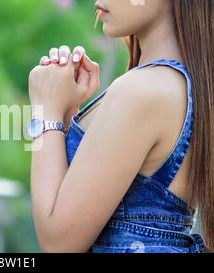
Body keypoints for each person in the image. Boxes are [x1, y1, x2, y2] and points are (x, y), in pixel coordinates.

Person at [28, 0, 213, 253]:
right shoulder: (188, 86)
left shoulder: (142, 90)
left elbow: (58, 242)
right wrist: (65, 111)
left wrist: (45, 110)